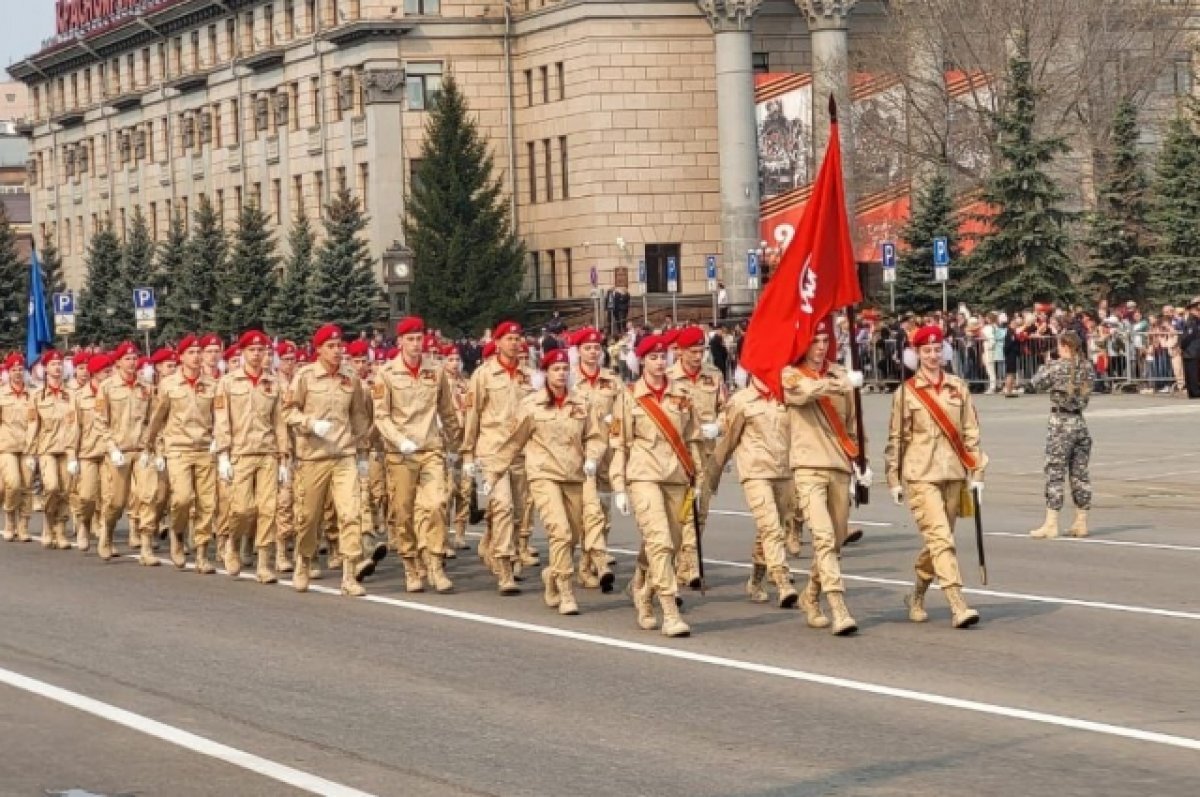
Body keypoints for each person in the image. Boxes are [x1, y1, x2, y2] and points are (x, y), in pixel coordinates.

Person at [488, 348, 606, 616]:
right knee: (560, 532)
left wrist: (592, 457)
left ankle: (552, 574)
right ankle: (565, 591)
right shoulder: (532, 405)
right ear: (545, 373)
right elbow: (514, 441)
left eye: (565, 368)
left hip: (574, 474)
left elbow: (596, 436)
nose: (561, 373)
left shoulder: (582, 403)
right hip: (543, 474)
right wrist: (494, 473)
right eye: (556, 369)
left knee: (573, 536)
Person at [885, 325, 987, 629]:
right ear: (916, 354)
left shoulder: (958, 387)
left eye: (936, 350)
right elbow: (897, 439)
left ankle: (916, 595)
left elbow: (971, 431)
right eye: (925, 351)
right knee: (941, 538)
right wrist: (893, 478)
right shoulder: (906, 393)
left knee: (938, 541)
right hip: (921, 474)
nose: (932, 355)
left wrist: (978, 472)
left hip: (954, 472)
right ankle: (958, 604)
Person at [609, 334, 703, 637]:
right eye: (653, 358)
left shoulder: (682, 394)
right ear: (642, 361)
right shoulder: (630, 396)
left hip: (677, 476)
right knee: (659, 541)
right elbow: (619, 443)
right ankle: (670, 612)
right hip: (643, 475)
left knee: (672, 545)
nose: (660, 363)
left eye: (664, 357)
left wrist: (697, 476)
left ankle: (645, 592)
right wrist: (620, 485)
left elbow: (692, 438)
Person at [780, 320, 865, 636]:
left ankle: (811, 594)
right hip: (808, 466)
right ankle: (838, 606)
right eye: (814, 340)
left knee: (837, 540)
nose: (819, 346)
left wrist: (860, 460)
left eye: (824, 340)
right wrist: (836, 385)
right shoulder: (791, 373)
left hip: (839, 466)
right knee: (824, 538)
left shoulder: (840, 373)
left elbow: (852, 421)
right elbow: (800, 395)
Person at [373, 317, 462, 594]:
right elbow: (381, 416)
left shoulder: (435, 372)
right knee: (404, 513)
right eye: (409, 339)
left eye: (418, 338)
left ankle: (435, 563)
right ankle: (411, 565)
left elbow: (447, 411)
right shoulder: (386, 373)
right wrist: (399, 441)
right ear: (399, 342)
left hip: (430, 449)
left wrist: (459, 447)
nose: (415, 344)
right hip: (400, 454)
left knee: (437, 504)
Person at [284, 324, 374, 597]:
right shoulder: (305, 377)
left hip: (344, 455)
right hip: (314, 457)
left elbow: (359, 415)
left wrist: (362, 452)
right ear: (319, 349)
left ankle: (349, 574)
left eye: (340, 346)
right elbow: (288, 412)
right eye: (331, 346)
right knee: (309, 517)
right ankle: (304, 561)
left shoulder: (350, 377)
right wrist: (309, 423)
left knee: (351, 513)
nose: (337, 351)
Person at [708, 371, 797, 610]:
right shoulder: (742, 401)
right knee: (771, 528)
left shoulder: (786, 397)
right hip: (754, 472)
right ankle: (782, 581)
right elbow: (729, 440)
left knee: (770, 529)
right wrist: (711, 477)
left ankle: (756, 580)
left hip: (783, 471)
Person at [463, 321, 535, 595]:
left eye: (518, 338)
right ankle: (505, 568)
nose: (515, 343)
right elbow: (473, 415)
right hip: (491, 451)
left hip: (521, 453)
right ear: (498, 342)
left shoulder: (528, 376)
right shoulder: (483, 375)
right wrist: (468, 453)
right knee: (502, 506)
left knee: (518, 513)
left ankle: (492, 542)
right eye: (509, 338)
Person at [213, 330, 289, 583]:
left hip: (267, 453)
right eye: (252, 351)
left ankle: (264, 562)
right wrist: (223, 455)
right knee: (242, 509)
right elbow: (222, 420)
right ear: (242, 353)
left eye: (261, 351)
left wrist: (284, 457)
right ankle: (232, 544)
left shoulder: (273, 382)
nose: (257, 355)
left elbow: (279, 421)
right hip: (240, 453)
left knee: (268, 509)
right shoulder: (228, 382)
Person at [143, 336, 219, 572]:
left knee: (207, 504)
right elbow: (158, 417)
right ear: (182, 356)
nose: (197, 356)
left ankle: (202, 552)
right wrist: (150, 446)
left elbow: (220, 418)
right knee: (182, 498)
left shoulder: (213, 385)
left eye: (199, 352)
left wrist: (220, 441)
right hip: (178, 449)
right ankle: (177, 532)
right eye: (192, 352)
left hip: (206, 449)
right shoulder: (169, 384)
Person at [667, 325, 725, 589]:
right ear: (679, 351)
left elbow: (727, 407)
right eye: (692, 351)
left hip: (708, 453)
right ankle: (689, 563)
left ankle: (683, 557)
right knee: (686, 509)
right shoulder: (669, 378)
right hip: (683, 455)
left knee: (700, 512)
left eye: (701, 350)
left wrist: (720, 424)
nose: (697, 356)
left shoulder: (713, 376)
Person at [1027, 331, 1095, 538]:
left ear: (1065, 346)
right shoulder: (1087, 368)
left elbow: (1035, 383)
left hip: (1061, 424)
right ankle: (1081, 521)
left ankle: (1051, 523)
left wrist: (1046, 364)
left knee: (1055, 472)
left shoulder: (1057, 367)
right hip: (1080, 423)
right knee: (1079, 473)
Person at [569, 327, 621, 592]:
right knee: (588, 511)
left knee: (603, 509)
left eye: (596, 348)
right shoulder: (568, 380)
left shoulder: (611, 381)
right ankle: (597, 564)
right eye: (587, 348)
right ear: (578, 351)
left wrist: (617, 426)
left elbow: (623, 411)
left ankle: (588, 564)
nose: (592, 352)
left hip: (607, 454)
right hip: (579, 453)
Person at [94, 342, 156, 561]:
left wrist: (152, 447)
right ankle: (107, 533)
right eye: (127, 359)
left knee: (148, 496)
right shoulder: (107, 387)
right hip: (119, 451)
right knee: (117, 502)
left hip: (141, 450)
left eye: (134, 358)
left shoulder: (146, 387)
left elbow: (152, 419)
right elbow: (101, 421)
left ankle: (146, 546)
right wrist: (111, 448)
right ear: (118, 362)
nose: (132, 362)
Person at [25, 350, 79, 551]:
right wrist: (30, 452)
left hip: (66, 449)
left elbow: (75, 424)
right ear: (45, 368)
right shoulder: (37, 396)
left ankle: (61, 530)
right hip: (46, 448)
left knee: (66, 490)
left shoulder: (71, 394)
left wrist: (74, 453)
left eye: (59, 364)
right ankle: (49, 524)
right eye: (53, 364)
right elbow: (33, 425)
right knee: (52, 487)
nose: (57, 367)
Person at [71, 353, 112, 552]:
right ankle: (84, 523)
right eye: (106, 372)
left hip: (109, 452)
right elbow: (74, 427)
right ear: (95, 373)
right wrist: (72, 455)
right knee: (87, 496)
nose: (110, 375)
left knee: (109, 497)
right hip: (87, 452)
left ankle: (105, 537)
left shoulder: (113, 393)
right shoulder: (79, 397)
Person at [442, 344, 474, 552]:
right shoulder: (439, 382)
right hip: (446, 442)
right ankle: (443, 536)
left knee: (465, 489)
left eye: (457, 360)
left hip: (465, 443)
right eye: (450, 359)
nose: (454, 363)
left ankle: (460, 533)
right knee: (447, 491)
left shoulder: (466, 383)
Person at [0, 353, 32, 542]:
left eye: (20, 369)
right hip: (7, 446)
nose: (18, 373)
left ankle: (24, 524)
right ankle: (10, 516)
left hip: (28, 446)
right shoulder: (2, 394)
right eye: (14, 370)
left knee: (27, 485)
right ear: (8, 372)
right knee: (13, 482)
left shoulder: (33, 393)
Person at [1180, 297, 1200, 399]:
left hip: (1192, 351)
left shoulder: (1194, 320)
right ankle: (1194, 392)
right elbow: (1187, 336)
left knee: (1192, 372)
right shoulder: (1192, 321)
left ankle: (1193, 392)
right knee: (1192, 373)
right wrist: (1182, 347)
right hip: (1192, 351)